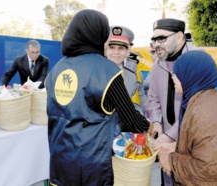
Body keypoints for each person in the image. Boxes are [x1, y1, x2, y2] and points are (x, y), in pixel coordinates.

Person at [45, 9, 153, 186]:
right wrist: (148, 126)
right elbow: (131, 119)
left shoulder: (58, 68)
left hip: (60, 159)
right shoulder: (107, 70)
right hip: (91, 164)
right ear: (99, 34)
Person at [156, 50, 217, 185]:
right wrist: (176, 147)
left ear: (191, 74)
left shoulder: (206, 113)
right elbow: (204, 145)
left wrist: (170, 160)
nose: (172, 77)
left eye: (176, 73)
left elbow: (208, 173)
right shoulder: (205, 100)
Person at [145, 18, 201, 185]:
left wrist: (169, 136)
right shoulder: (157, 65)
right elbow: (152, 99)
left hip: (190, 138)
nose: (156, 44)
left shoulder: (196, 60)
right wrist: (155, 121)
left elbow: (197, 110)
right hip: (165, 138)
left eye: (161, 38)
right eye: (154, 39)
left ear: (178, 36)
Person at [105, 25, 146, 115]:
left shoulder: (131, 75)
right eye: (111, 47)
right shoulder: (94, 73)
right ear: (105, 49)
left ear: (127, 52)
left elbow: (134, 103)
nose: (116, 52)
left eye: (121, 48)